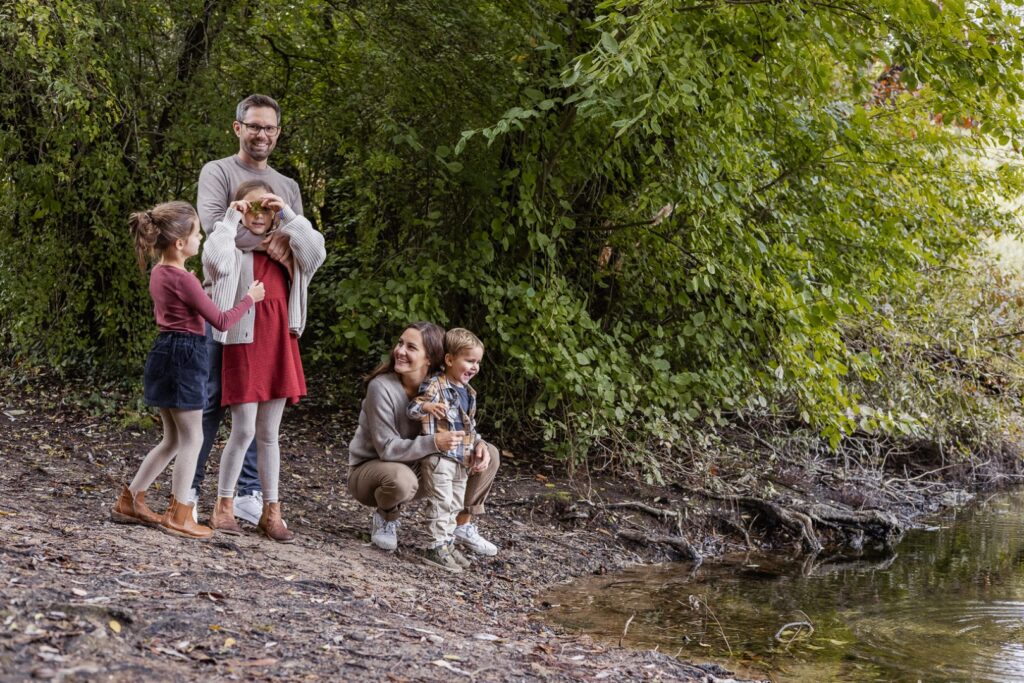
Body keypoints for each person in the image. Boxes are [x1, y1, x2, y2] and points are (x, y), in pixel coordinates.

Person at [112, 201, 264, 539]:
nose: (200, 238)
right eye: (196, 234)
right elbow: (222, 320)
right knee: (192, 437)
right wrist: (250, 298)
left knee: (172, 439)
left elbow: (188, 302)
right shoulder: (184, 279)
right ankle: (181, 514)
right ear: (180, 243)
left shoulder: (161, 272)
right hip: (187, 354)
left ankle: (131, 499)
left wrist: (228, 219)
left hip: (164, 351)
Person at [191, 93, 305, 525]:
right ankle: (190, 489)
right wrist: (270, 243)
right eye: (254, 126)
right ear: (238, 128)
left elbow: (297, 242)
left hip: (271, 311)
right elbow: (218, 232)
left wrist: (285, 242)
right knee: (209, 401)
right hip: (222, 305)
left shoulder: (287, 186)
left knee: (261, 400)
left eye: (270, 127)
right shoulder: (218, 172)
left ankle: (248, 491)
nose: (262, 134)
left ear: (277, 132)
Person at [202, 179, 325, 542]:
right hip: (243, 341)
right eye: (252, 206)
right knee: (243, 430)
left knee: (270, 434)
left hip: (279, 342)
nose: (259, 213)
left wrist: (286, 211)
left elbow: (316, 252)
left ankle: (271, 511)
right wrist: (230, 215)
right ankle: (223, 506)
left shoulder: (288, 249)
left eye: (266, 207)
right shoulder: (234, 247)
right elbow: (214, 259)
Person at [348, 322, 500, 558]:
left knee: (488, 453)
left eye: (411, 347)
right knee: (402, 479)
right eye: (400, 344)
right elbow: (387, 448)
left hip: (419, 463)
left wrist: (478, 443)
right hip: (372, 472)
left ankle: (460, 524)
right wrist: (436, 443)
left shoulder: (441, 385)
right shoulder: (382, 388)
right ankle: (386, 517)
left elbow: (461, 423)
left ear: (430, 358)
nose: (400, 351)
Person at [407, 328, 486, 572]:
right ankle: (435, 546)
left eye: (477, 362)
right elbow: (412, 408)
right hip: (439, 456)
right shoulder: (436, 385)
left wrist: (476, 446)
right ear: (450, 360)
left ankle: (448, 543)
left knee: (454, 502)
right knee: (440, 501)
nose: (474, 367)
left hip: (460, 457)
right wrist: (428, 407)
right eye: (469, 361)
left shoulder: (468, 393)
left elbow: (468, 425)